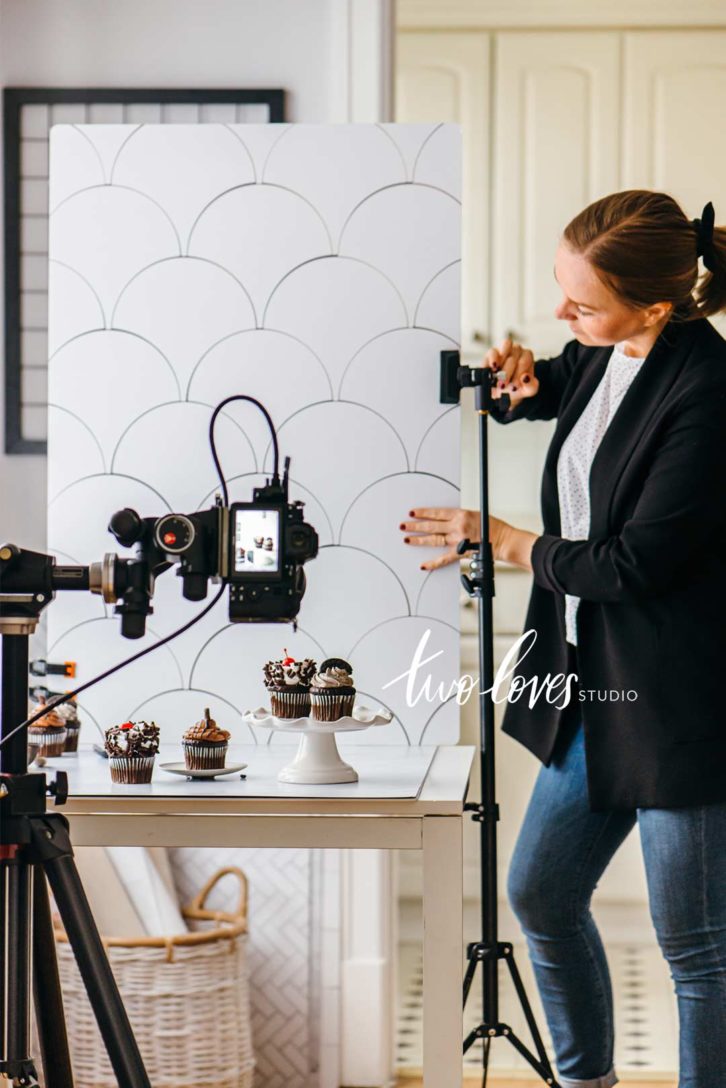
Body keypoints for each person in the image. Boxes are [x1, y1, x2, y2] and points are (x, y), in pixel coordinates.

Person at [399, 190, 726, 1088]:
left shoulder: (706, 389)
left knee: (696, 950)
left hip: (674, 706)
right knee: (541, 893)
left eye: (581, 303)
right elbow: (560, 391)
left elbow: (632, 565)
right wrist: (524, 381)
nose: (561, 316)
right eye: (561, 291)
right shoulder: (607, 352)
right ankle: (587, 1083)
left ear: (657, 307)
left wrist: (503, 539)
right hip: (591, 687)